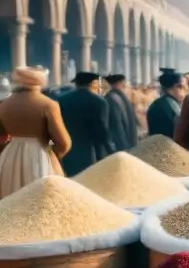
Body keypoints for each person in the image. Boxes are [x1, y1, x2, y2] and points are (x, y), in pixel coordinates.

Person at [0, 67, 71, 197]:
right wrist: (54, 155)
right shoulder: (48, 105)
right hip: (39, 156)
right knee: (40, 201)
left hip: (9, 157)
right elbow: (64, 143)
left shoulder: (3, 105)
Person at [57, 71, 114, 177]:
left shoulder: (62, 99)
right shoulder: (99, 102)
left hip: (67, 150)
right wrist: (110, 149)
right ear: (92, 83)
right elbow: (102, 130)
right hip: (91, 151)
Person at [147, 71, 186, 139]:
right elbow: (181, 128)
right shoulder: (167, 105)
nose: (185, 91)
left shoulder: (168, 102)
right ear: (175, 87)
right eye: (181, 87)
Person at [104, 74, 137, 151]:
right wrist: (122, 145)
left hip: (125, 140)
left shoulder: (116, 97)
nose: (126, 87)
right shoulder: (114, 99)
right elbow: (117, 124)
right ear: (117, 84)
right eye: (124, 85)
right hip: (121, 143)